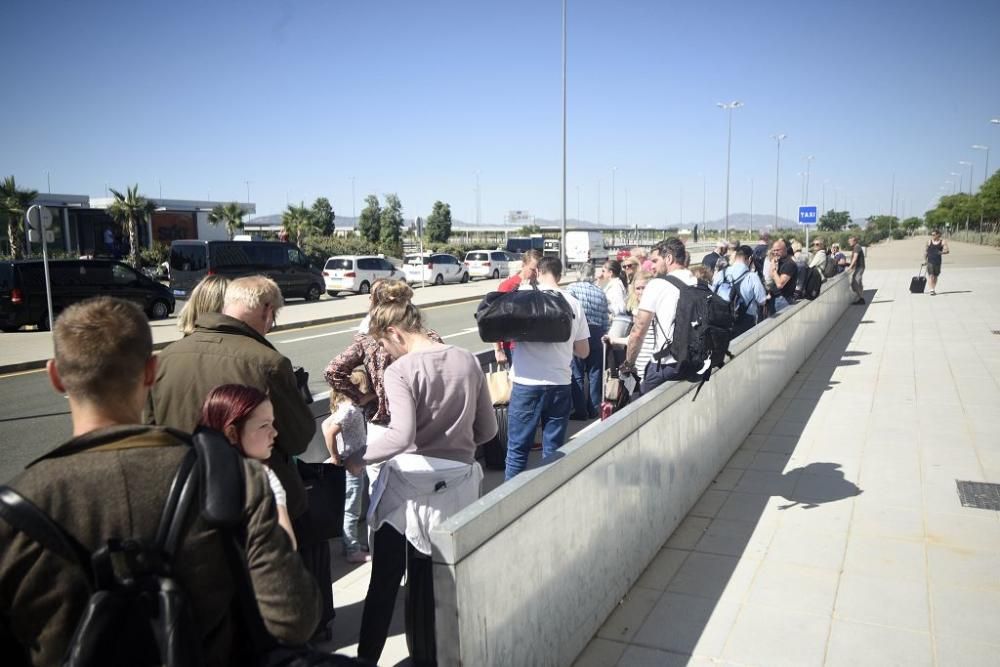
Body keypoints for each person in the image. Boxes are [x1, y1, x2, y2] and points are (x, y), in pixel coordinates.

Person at [0, 297, 320, 665]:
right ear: (151, 372)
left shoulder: (16, 509)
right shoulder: (236, 479)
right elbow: (294, 619)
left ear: (55, 376)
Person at [348, 289, 497, 666]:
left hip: (407, 491)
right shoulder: (466, 359)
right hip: (458, 486)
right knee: (436, 585)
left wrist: (356, 460)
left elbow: (401, 437)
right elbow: (488, 430)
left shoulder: (402, 370)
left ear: (395, 333)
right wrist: (458, 445)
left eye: (385, 345)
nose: (387, 353)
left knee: (384, 583)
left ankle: (366, 660)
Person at [505, 257, 590, 480]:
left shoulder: (525, 299)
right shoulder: (573, 303)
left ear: (539, 273)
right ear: (559, 276)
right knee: (552, 452)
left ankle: (509, 508)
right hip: (560, 384)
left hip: (526, 384)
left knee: (517, 452)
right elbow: (584, 351)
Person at [199, 384, 297, 549]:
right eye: (264, 425)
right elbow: (285, 547)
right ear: (232, 433)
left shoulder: (191, 471)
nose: (274, 433)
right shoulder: (262, 478)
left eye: (272, 424)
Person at [620, 238, 697, 395]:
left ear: (669, 258)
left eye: (655, 260)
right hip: (695, 363)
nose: (652, 266)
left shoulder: (657, 285)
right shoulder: (698, 282)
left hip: (667, 365)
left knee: (639, 407)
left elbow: (639, 330)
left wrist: (629, 364)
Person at [321, 369, 372, 564]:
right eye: (366, 389)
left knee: (349, 507)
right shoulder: (350, 411)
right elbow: (329, 433)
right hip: (351, 466)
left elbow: (325, 425)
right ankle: (353, 551)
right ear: (356, 391)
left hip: (349, 462)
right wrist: (335, 456)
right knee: (351, 510)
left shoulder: (343, 405)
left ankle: (349, 545)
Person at [567, 263, 609, 420]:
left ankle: (580, 411)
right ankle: (594, 409)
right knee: (595, 373)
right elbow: (605, 319)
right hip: (598, 333)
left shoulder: (572, 289)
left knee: (577, 373)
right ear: (592, 275)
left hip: (580, 333)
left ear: (579, 273)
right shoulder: (600, 292)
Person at [493, 248, 542, 367]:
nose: (536, 273)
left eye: (539, 270)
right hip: (514, 347)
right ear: (523, 265)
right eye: (533, 269)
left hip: (536, 345)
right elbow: (495, 319)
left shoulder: (540, 285)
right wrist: (498, 350)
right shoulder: (508, 286)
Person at [605, 270, 654, 379]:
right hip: (641, 363)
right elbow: (633, 338)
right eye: (638, 288)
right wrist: (613, 340)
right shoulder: (638, 309)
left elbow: (636, 337)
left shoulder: (645, 311)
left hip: (648, 364)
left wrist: (628, 364)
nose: (641, 292)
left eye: (644, 287)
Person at [712, 245, 767, 336]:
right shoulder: (752, 277)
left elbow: (712, 292)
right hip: (745, 321)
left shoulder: (721, 273)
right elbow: (762, 301)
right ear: (749, 259)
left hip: (722, 319)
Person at [767, 239, 798, 313]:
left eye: (777, 250)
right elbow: (771, 275)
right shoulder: (778, 261)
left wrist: (774, 270)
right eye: (774, 251)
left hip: (783, 300)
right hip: (774, 298)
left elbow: (780, 284)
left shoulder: (789, 264)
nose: (775, 253)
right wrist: (773, 263)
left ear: (784, 250)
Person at [603, 259, 631, 339]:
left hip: (616, 323)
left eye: (604, 271)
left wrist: (606, 307)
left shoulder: (616, 286)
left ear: (610, 273)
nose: (602, 273)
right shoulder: (613, 284)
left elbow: (621, 307)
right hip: (613, 322)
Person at [924, 229, 949, 295]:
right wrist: (925, 260)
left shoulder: (943, 242)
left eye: (934, 235)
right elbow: (926, 251)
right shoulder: (929, 241)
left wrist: (942, 252)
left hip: (938, 261)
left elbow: (947, 251)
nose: (932, 236)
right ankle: (931, 290)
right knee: (931, 275)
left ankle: (933, 288)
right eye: (932, 235)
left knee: (935, 276)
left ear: (938, 235)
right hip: (930, 261)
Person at [847, 235, 866, 304]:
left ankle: (861, 298)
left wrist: (850, 267)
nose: (849, 243)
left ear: (854, 241)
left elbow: (855, 257)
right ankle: (861, 297)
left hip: (859, 267)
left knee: (855, 283)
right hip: (859, 267)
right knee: (858, 283)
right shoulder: (856, 247)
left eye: (850, 241)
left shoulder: (857, 247)